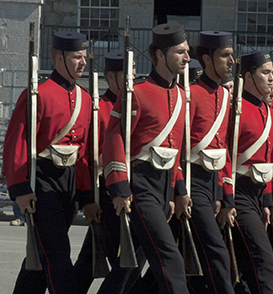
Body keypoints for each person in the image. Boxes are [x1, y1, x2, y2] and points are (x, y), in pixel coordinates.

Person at [3, 31, 97, 294]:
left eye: (84, 58)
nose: (83, 63)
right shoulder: (37, 94)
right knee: (57, 254)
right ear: (59, 58)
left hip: (68, 185)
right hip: (42, 182)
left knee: (41, 259)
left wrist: (86, 193)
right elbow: (16, 142)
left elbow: (84, 152)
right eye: (77, 57)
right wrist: (20, 188)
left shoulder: (86, 98)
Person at [102, 23, 190, 294]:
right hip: (140, 184)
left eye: (187, 52)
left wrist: (178, 189)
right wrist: (119, 187)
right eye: (180, 52)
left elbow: (175, 149)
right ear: (160, 55)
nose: (187, 57)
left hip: (164, 187)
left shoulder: (182, 95)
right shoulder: (137, 93)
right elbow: (114, 137)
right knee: (170, 257)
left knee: (130, 266)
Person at [74, 50, 146, 294]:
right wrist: (87, 199)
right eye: (126, 74)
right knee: (123, 262)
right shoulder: (99, 108)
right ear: (110, 77)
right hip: (105, 196)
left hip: (133, 192)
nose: (131, 78)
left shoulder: (136, 104)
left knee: (109, 262)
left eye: (133, 74)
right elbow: (85, 157)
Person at [185, 30, 236, 294]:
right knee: (216, 251)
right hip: (191, 181)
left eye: (231, 55)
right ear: (207, 59)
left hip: (212, 182)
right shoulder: (191, 94)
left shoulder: (226, 97)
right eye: (225, 55)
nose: (231, 61)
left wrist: (225, 195)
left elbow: (224, 150)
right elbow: (180, 148)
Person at [231, 50, 273, 294]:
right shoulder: (235, 108)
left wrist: (270, 199)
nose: (272, 79)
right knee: (262, 258)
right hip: (238, 190)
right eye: (265, 73)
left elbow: (272, 158)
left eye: (272, 73)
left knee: (250, 264)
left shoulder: (270, 112)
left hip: (258, 193)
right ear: (248, 77)